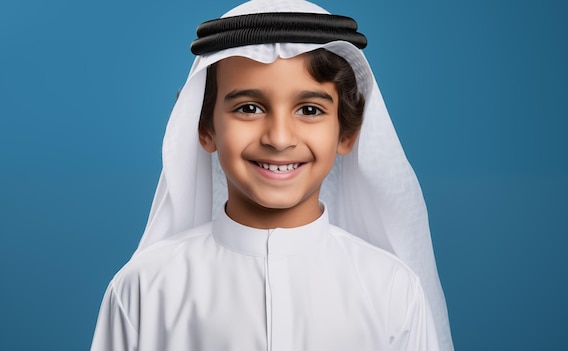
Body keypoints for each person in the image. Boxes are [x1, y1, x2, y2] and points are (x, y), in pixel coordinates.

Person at [91, 0, 453, 350]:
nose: (279, 138)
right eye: (249, 108)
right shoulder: (143, 290)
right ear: (205, 129)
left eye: (309, 109)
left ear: (346, 133)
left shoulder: (391, 291)